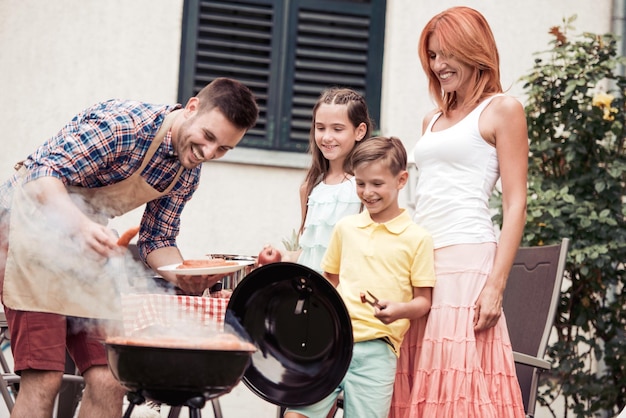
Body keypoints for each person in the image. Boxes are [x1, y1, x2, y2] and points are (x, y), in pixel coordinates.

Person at [0, 77, 258, 418]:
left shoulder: (186, 173)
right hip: (28, 233)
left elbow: (157, 240)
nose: (208, 153)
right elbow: (41, 173)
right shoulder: (125, 127)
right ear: (192, 107)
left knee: (111, 377)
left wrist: (185, 278)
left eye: (223, 149)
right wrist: (81, 226)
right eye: (208, 137)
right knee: (45, 378)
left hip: (86, 249)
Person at [389, 6, 528, 418]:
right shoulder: (431, 119)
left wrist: (496, 285)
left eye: (447, 53)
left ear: (474, 49)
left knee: (457, 387)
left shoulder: (503, 109)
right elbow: (419, 198)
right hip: (421, 263)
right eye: (432, 55)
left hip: (468, 259)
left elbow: (515, 201)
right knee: (419, 382)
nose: (439, 65)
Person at [285, 136, 436, 418]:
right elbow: (329, 282)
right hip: (332, 343)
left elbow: (423, 302)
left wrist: (399, 310)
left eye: (377, 184)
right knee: (296, 415)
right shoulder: (346, 228)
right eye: (361, 183)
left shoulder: (418, 239)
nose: (367, 192)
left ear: (401, 180)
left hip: (377, 353)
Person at [296, 87, 373, 273]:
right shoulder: (309, 188)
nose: (327, 137)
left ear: (360, 131)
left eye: (337, 129)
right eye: (320, 128)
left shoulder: (366, 188)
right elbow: (306, 251)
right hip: (311, 292)